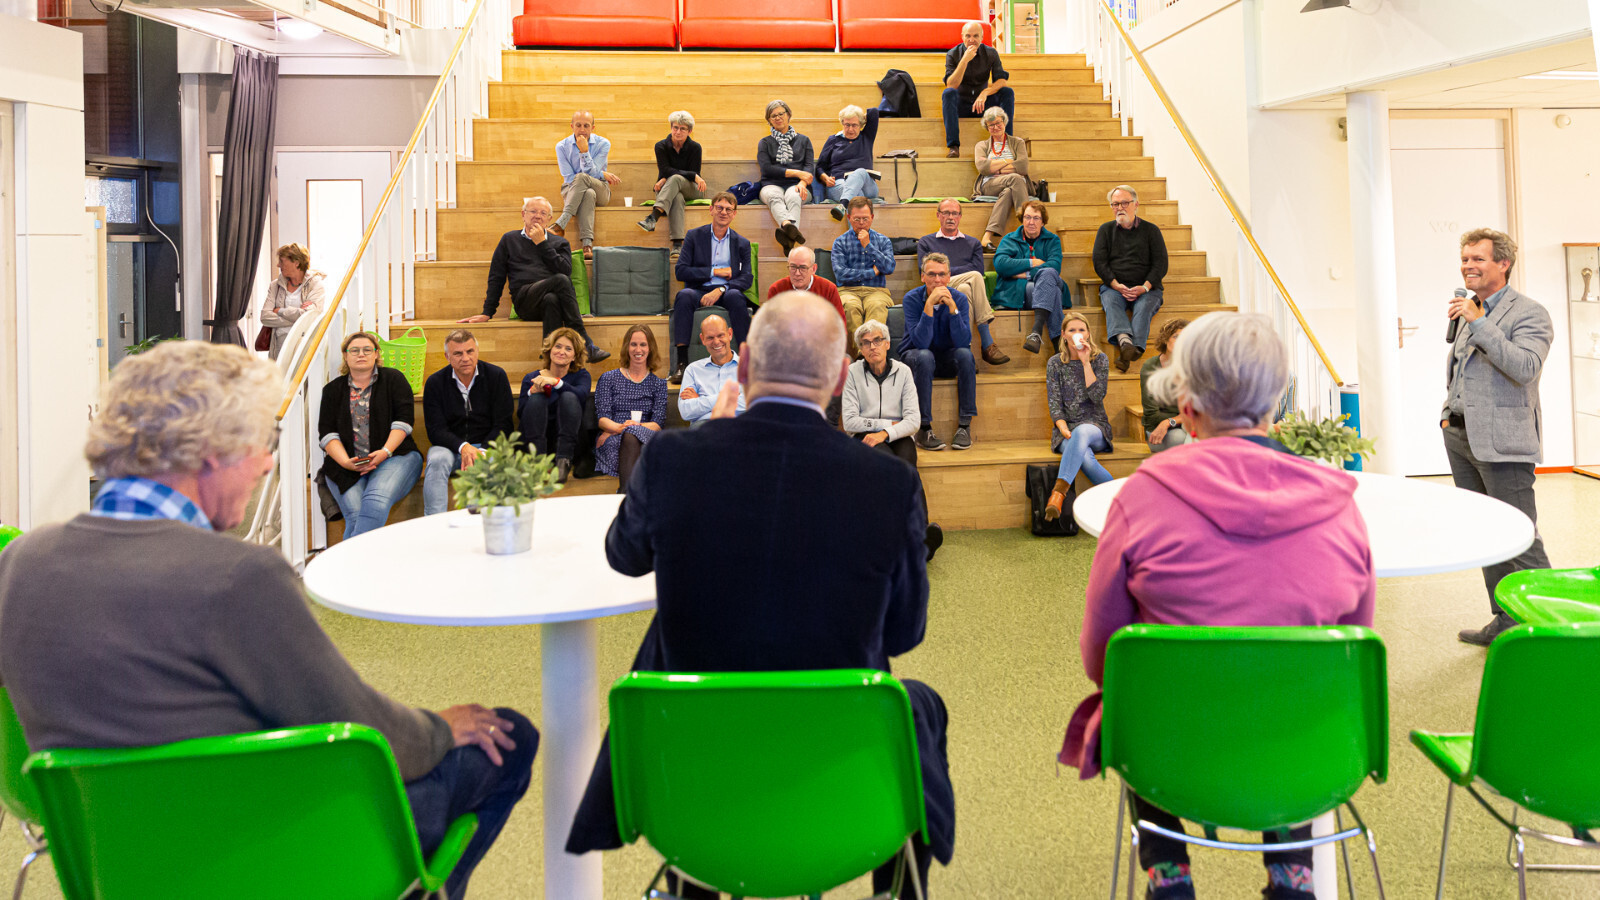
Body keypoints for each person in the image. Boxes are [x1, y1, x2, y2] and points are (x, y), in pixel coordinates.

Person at [0, 341, 537, 900]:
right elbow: (358, 731)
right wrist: (443, 727)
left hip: (109, 864)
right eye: (260, 442)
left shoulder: (19, 563)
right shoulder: (238, 576)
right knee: (507, 736)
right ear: (210, 451)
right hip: (265, 853)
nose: (265, 462)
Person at [566, 292, 956, 899]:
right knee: (921, 706)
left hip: (693, 751)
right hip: (834, 754)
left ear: (743, 366)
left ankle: (696, 871)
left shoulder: (671, 458)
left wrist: (708, 439)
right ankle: (898, 883)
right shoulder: (890, 483)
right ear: (835, 380)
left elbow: (624, 555)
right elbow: (906, 632)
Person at [1061, 312, 1375, 900]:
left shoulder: (1141, 497)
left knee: (1143, 693)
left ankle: (1168, 871)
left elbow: (1102, 658)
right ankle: (1289, 873)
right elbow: (1352, 654)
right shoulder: (1341, 504)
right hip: (1301, 756)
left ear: (1186, 403)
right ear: (1277, 400)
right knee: (1291, 689)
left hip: (1170, 756)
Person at [1442, 227, 1554, 646]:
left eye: (1478, 259)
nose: (1468, 265)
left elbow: (1524, 366)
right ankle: (1506, 619)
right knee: (1486, 533)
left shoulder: (1530, 313)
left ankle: (1551, 626)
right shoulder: (1470, 308)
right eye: (1465, 258)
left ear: (1503, 264)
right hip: (1461, 438)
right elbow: (1460, 369)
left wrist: (1482, 323)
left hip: (1504, 443)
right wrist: (1446, 417)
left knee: (1521, 536)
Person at [463, 196, 608, 363]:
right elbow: (496, 276)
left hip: (549, 302)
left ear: (549, 219)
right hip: (525, 301)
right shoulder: (509, 239)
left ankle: (549, 355)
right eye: (533, 211)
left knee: (551, 298)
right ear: (523, 214)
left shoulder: (560, 243)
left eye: (543, 213)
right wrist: (488, 312)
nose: (538, 216)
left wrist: (542, 244)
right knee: (559, 281)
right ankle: (584, 342)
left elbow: (566, 271)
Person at [317, 331, 424, 539]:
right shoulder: (332, 390)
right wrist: (346, 463)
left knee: (375, 502)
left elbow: (403, 423)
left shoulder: (394, 379)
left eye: (367, 349)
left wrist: (384, 452)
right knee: (356, 514)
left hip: (396, 457)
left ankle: (345, 566)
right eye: (354, 350)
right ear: (346, 356)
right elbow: (328, 434)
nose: (361, 354)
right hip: (346, 464)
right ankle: (357, 568)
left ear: (376, 354)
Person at [421, 329, 514, 516]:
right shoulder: (435, 382)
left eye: (470, 351)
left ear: (477, 352)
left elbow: (504, 424)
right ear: (447, 356)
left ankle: (474, 524)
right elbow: (435, 429)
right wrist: (463, 447)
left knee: (487, 464)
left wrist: (482, 451)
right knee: (437, 460)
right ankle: (433, 523)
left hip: (488, 446)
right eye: (458, 353)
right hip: (449, 446)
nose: (465, 358)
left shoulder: (496, 376)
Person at [671, 192, 753, 384]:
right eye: (720, 208)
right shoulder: (693, 236)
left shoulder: (742, 243)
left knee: (736, 297)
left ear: (734, 215)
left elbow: (747, 277)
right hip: (698, 289)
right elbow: (681, 271)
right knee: (683, 295)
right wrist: (715, 272)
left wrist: (721, 289)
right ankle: (682, 364)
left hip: (726, 290)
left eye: (728, 210)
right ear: (711, 210)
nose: (723, 212)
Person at [917, 199, 1009, 366]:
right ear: (938, 215)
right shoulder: (926, 242)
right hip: (937, 287)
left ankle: (966, 355)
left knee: (966, 289)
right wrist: (949, 273)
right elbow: (924, 272)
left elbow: (979, 269)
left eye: (954, 213)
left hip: (959, 288)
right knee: (973, 276)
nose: (950, 217)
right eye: (946, 213)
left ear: (960, 217)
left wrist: (949, 270)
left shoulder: (973, 243)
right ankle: (987, 341)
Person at [901, 253, 975, 452]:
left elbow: (963, 341)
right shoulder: (912, 299)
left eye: (942, 275)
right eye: (932, 274)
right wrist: (929, 306)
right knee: (925, 356)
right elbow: (921, 342)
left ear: (949, 277)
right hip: (916, 358)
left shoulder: (958, 298)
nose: (937, 280)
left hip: (945, 357)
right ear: (922, 276)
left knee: (966, 356)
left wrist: (952, 309)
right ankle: (924, 428)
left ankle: (964, 426)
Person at [1043, 312, 1114, 520]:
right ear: (1064, 335)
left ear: (1088, 334)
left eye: (1081, 330)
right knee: (1085, 458)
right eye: (1072, 330)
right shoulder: (1055, 363)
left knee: (1082, 432)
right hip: (1066, 429)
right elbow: (1054, 402)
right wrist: (1063, 427)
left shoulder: (1099, 359)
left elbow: (1097, 396)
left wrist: (1085, 363)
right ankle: (1120, 500)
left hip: (1095, 426)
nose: (1077, 334)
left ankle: (1058, 494)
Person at [1094, 185, 1169, 372]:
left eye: (1124, 203)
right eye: (1115, 204)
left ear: (1136, 204)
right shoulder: (1105, 230)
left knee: (1143, 307)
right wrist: (1116, 285)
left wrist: (1144, 287)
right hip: (1114, 287)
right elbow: (1100, 263)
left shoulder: (1151, 230)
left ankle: (1128, 348)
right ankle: (1128, 344)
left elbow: (1161, 263)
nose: (1120, 207)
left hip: (1147, 288)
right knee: (1110, 301)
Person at [594, 325, 668, 490]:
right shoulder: (608, 378)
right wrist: (620, 428)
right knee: (630, 440)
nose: (638, 349)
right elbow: (603, 418)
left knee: (633, 437)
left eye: (643, 344)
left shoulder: (658, 383)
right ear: (627, 347)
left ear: (650, 348)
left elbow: (657, 424)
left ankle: (625, 495)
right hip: (615, 434)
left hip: (646, 433)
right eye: (633, 344)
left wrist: (630, 428)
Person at [518, 327, 590, 484]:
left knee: (569, 397)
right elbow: (521, 414)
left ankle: (563, 463)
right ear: (549, 350)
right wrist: (531, 392)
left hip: (567, 442)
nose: (561, 352)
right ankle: (537, 462)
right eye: (558, 346)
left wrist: (556, 382)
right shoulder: (532, 377)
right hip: (538, 438)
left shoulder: (581, 376)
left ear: (574, 357)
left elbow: (582, 397)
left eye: (568, 349)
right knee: (536, 399)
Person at [994, 200, 1066, 355]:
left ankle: (1036, 330)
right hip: (1021, 292)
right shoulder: (1010, 239)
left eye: (1036, 218)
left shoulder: (1052, 240)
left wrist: (1025, 274)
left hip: (1038, 284)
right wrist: (1032, 262)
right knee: (1053, 292)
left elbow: (1055, 266)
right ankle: (1058, 346)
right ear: (1022, 219)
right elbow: (1000, 265)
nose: (1031, 222)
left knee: (1048, 273)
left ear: (1043, 221)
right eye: (1027, 217)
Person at [551, 110, 618, 259]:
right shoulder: (561, 146)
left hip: (600, 188)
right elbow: (568, 177)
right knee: (588, 193)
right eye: (578, 125)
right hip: (571, 189)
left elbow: (591, 175)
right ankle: (587, 245)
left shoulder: (603, 144)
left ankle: (561, 223)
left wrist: (584, 151)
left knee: (583, 178)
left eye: (586, 125)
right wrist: (602, 173)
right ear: (572, 126)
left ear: (593, 128)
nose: (582, 129)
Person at [832, 197, 897, 347]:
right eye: (856, 219)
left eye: (865, 219)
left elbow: (889, 268)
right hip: (847, 291)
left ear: (872, 218)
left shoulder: (883, 241)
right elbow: (841, 274)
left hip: (877, 291)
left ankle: (874, 354)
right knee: (850, 306)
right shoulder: (840, 242)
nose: (861, 223)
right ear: (848, 218)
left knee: (877, 306)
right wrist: (871, 273)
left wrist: (868, 246)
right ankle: (861, 357)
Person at [942, 20, 1013, 158]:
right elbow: (951, 84)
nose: (971, 40)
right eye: (968, 36)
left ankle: (1004, 144)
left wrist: (985, 92)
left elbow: (1002, 81)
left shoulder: (991, 53)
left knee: (1007, 92)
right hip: (961, 105)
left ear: (981, 37)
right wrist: (964, 60)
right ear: (962, 36)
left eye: (975, 36)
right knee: (948, 93)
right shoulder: (953, 54)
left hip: (983, 105)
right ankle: (953, 147)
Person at [638, 110, 705, 253]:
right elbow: (665, 169)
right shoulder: (661, 146)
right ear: (671, 128)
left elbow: (683, 173)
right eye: (675, 127)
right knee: (677, 197)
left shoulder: (695, 147)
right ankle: (677, 245)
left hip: (692, 189)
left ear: (690, 131)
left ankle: (653, 217)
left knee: (675, 179)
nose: (678, 132)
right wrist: (692, 175)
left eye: (683, 129)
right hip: (670, 191)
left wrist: (666, 178)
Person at [756, 99, 814, 255]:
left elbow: (809, 168)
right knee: (774, 196)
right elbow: (767, 169)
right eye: (773, 116)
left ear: (788, 115)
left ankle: (788, 234)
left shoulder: (804, 140)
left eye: (781, 113)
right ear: (769, 120)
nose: (777, 117)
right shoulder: (765, 142)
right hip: (771, 184)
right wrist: (796, 172)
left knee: (794, 196)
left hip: (798, 184)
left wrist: (802, 182)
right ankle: (788, 227)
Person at [971, 109, 1029, 249]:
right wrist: (1008, 162)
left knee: (1009, 191)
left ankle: (987, 237)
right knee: (1015, 178)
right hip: (990, 184)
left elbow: (1022, 167)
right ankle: (1027, 227)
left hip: (1013, 185)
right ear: (987, 127)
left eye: (998, 123)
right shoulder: (982, 145)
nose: (995, 127)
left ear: (1004, 122)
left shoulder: (1017, 142)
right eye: (991, 125)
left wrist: (995, 167)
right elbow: (983, 168)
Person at [259, 242, 326, 360]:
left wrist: (280, 311)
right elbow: (265, 317)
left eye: (282, 261)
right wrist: (299, 316)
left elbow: (312, 317)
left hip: (304, 346)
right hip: (279, 348)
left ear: (296, 262)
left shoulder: (315, 284)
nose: (278, 265)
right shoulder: (275, 285)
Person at [815, 105, 881, 221]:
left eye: (855, 125)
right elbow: (820, 167)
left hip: (867, 185)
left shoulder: (866, 137)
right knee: (857, 198)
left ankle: (843, 205)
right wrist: (825, 178)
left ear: (861, 125)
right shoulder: (833, 140)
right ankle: (859, 237)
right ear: (842, 124)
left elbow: (874, 112)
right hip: (840, 183)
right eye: (847, 125)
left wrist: (861, 117)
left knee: (860, 172)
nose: (850, 129)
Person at [678, 315, 745, 425]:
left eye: (720, 335)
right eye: (710, 337)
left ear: (730, 334)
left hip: (739, 425)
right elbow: (686, 411)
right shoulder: (693, 370)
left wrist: (701, 400)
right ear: (702, 339)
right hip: (704, 427)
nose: (716, 342)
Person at [1140, 318, 1192, 453]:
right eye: (1176, 336)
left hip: (1185, 425)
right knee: (1184, 439)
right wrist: (1179, 418)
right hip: (1158, 431)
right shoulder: (1151, 366)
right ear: (1165, 339)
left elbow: (1199, 410)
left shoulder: (1192, 366)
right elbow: (1151, 415)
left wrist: (1170, 420)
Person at [766, 245, 844, 326]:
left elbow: (839, 326)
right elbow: (770, 327)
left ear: (814, 269)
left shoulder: (829, 289)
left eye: (803, 268)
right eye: (793, 267)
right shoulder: (776, 290)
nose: (797, 273)